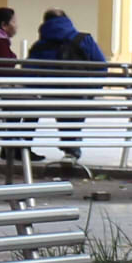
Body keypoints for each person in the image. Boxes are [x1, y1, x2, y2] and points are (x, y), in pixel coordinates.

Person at [25, 8, 107, 161]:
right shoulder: (84, 40)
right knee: (72, 108)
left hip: (47, 96)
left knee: (29, 106)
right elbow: (101, 65)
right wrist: (94, 89)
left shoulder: (40, 45)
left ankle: (21, 146)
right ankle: (71, 149)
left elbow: (29, 72)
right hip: (78, 94)